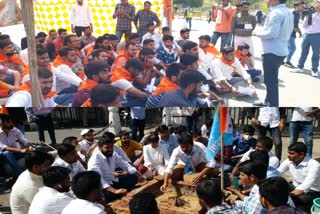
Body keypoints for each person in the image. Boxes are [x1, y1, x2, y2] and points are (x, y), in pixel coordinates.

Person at [252, 0, 293, 107]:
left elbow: (272, 33)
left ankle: (273, 106)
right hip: (281, 50)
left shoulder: (276, 13)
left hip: (272, 51)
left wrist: (256, 33)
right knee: (272, 79)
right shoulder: (287, 11)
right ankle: (267, 101)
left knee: (270, 82)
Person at [88, 137, 144, 202]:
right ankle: (118, 194)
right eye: (107, 147)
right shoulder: (94, 160)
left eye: (111, 147)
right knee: (107, 195)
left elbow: (125, 164)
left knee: (134, 175)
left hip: (113, 180)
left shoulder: (113, 153)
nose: (110, 149)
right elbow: (99, 180)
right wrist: (115, 191)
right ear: (100, 148)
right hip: (102, 187)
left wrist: (138, 175)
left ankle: (120, 193)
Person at [277, 142, 320, 209]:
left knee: (301, 198)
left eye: (291, 153)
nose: (288, 155)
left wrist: (287, 196)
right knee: (277, 183)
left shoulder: (314, 165)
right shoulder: (289, 160)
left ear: (301, 154)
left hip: (311, 192)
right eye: (288, 152)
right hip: (295, 187)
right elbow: (277, 172)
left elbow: (305, 186)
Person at [292, 1, 320, 77]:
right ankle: (300, 67)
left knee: (316, 53)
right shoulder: (309, 13)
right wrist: (307, 17)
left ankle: (314, 69)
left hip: (317, 35)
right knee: (304, 52)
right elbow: (304, 25)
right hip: (307, 35)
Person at [283, 2, 303, 68]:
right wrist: (293, 28)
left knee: (288, 48)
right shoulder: (292, 13)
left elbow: (296, 25)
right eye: (301, 6)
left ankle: (281, 60)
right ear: (296, 7)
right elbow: (288, 23)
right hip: (289, 33)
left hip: (292, 33)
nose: (302, 7)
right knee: (293, 48)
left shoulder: (298, 14)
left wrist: (299, 32)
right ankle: (287, 61)